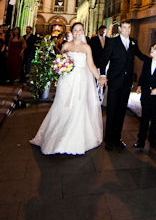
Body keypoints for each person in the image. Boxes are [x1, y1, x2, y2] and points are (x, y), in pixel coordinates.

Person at [30, 22, 107, 155]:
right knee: (62, 105)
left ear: (83, 32)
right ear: (72, 31)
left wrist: (99, 77)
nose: (78, 32)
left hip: (81, 81)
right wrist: (59, 66)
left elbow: (91, 65)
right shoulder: (66, 45)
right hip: (66, 81)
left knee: (78, 107)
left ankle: (73, 139)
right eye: (75, 30)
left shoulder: (86, 47)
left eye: (80, 30)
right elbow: (60, 60)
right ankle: (56, 137)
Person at [98, 20, 145, 150]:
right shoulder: (112, 42)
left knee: (121, 111)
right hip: (114, 81)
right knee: (112, 110)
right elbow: (104, 60)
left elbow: (140, 55)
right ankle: (109, 140)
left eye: (129, 28)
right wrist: (102, 75)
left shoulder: (133, 42)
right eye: (124, 27)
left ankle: (117, 138)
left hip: (126, 82)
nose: (126, 30)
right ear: (120, 29)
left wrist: (154, 59)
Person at [134, 43, 156, 149]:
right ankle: (140, 141)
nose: (151, 49)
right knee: (144, 118)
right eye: (152, 48)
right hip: (145, 95)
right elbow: (143, 76)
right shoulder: (147, 63)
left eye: (154, 49)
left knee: (154, 119)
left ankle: (152, 140)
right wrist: (140, 85)